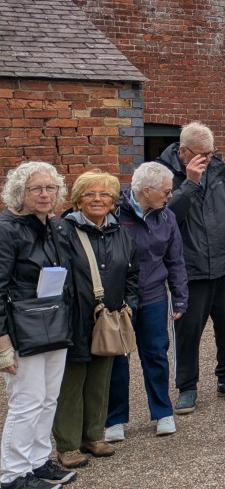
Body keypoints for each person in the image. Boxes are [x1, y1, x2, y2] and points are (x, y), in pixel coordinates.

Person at [160, 122, 225, 412]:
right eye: (202, 154)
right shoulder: (164, 173)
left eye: (211, 152)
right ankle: (187, 386)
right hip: (190, 267)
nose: (208, 158)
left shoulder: (222, 171)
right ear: (183, 152)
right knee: (188, 330)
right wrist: (190, 183)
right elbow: (165, 218)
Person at [0, 162, 77, 489]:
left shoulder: (55, 226)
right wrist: (2, 343)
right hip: (22, 328)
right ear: (21, 192)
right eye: (36, 189)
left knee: (48, 398)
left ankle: (37, 461)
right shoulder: (6, 230)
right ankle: (12, 476)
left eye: (50, 188)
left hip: (54, 321)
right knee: (26, 401)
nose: (45, 194)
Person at [53, 171, 140, 467]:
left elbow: (132, 274)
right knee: (71, 383)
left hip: (109, 318)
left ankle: (93, 435)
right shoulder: (63, 231)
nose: (97, 199)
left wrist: (129, 305)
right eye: (90, 194)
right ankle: (67, 444)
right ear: (78, 200)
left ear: (114, 201)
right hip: (73, 317)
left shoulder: (121, 233)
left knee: (100, 380)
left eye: (104, 194)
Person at [107, 162, 188, 441]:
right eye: (166, 191)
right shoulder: (114, 213)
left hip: (153, 295)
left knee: (155, 354)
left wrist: (180, 298)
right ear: (146, 190)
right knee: (118, 358)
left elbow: (175, 260)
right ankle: (114, 419)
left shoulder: (166, 216)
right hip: (120, 300)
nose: (170, 195)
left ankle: (163, 412)